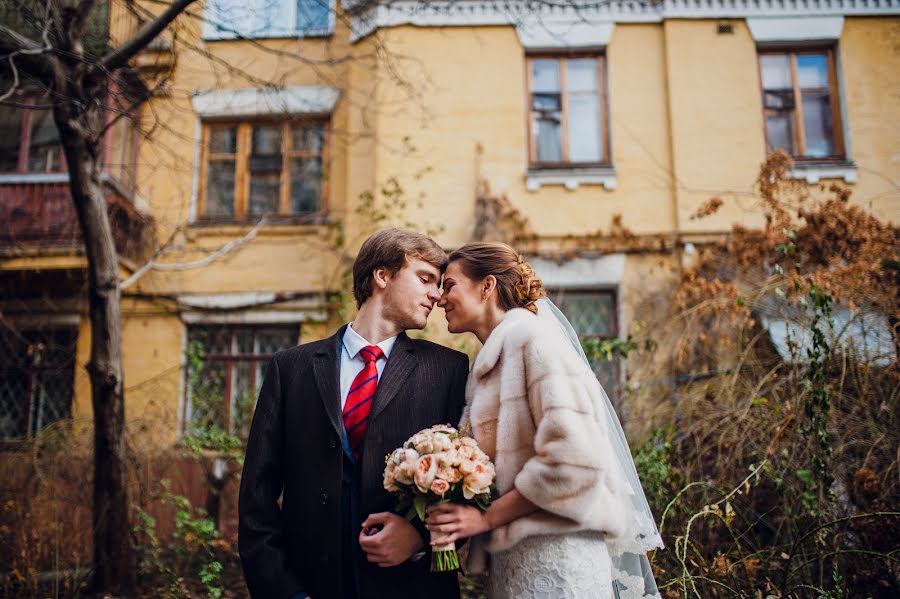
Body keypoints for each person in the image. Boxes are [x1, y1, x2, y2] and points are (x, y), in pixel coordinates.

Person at [239, 228, 470, 599]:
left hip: (410, 587)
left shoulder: (449, 370)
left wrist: (419, 539)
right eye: (425, 278)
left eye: (440, 284)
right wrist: (284, 592)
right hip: (310, 585)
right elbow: (257, 497)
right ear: (382, 276)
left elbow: (470, 484)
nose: (436, 294)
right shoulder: (291, 368)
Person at [425, 242, 663, 599]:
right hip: (514, 562)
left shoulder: (534, 342)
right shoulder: (490, 363)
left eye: (450, 285)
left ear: (487, 286)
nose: (440, 299)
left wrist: (487, 518)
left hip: (558, 561)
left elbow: (576, 461)